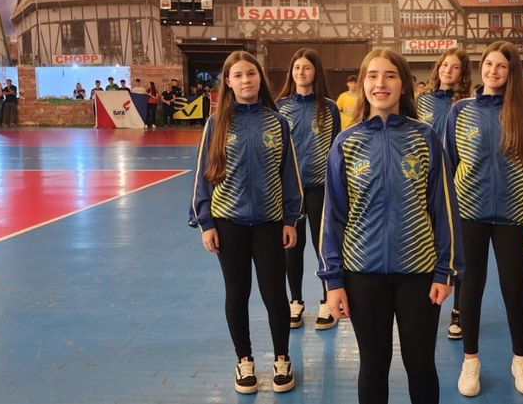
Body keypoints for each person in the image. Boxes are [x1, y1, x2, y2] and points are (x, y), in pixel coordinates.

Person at [318, 48, 463, 404]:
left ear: (403, 85)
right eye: (372, 76)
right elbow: (333, 216)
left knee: (421, 366)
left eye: (390, 75)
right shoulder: (346, 142)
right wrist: (333, 281)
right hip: (362, 273)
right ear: (362, 84)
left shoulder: (425, 138)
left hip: (419, 274)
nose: (380, 83)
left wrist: (445, 270)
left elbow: (444, 208)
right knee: (373, 366)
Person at [189, 50, 301, 394]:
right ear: (228, 82)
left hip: (269, 223)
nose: (245, 80)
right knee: (237, 294)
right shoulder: (216, 124)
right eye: (237, 75)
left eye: (251, 73)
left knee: (275, 294)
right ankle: (244, 360)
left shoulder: (277, 122)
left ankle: (282, 359)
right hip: (228, 223)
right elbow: (203, 175)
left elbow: (290, 175)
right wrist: (206, 223)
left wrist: (290, 219)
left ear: (259, 78)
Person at [448, 41, 523, 397]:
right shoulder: (461, 111)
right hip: (468, 213)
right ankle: (471, 361)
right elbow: (447, 165)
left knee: (514, 290)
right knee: (470, 288)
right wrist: (444, 218)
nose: (493, 71)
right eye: (489, 64)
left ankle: (520, 359)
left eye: (501, 66)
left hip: (514, 215)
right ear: (481, 68)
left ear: (511, 73)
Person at [274, 49, 341, 332]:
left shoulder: (329, 108)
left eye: (307, 68)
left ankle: (327, 300)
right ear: (291, 72)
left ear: (316, 72)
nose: (301, 72)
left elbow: (336, 149)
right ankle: (296, 301)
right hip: (289, 191)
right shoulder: (280, 107)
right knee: (292, 246)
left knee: (323, 244)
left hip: (320, 188)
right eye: (297, 68)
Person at [416, 47, 473, 339]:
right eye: (445, 65)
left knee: (456, 249)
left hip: (455, 184)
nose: (448, 71)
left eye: (455, 67)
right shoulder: (422, 99)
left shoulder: (466, 104)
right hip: (423, 183)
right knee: (424, 247)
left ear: (463, 74)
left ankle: (459, 311)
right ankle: (423, 305)